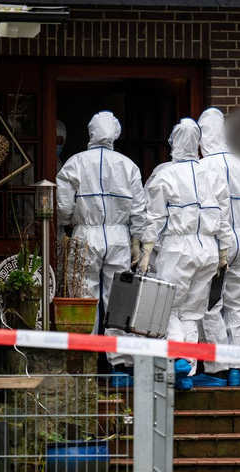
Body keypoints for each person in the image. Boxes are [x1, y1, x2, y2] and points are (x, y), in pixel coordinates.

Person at [55, 111, 152, 373]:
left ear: (91, 132)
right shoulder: (128, 165)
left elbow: (63, 206)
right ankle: (119, 363)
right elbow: (139, 209)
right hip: (119, 236)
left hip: (86, 234)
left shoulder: (75, 163)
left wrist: (69, 222)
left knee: (84, 296)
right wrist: (136, 241)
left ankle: (87, 360)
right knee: (119, 299)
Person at [145, 118, 226, 389]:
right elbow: (224, 217)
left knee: (166, 308)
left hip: (178, 249)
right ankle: (187, 375)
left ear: (174, 142)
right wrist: (223, 251)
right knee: (192, 313)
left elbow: (154, 217)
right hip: (209, 251)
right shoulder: (212, 175)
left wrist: (145, 250)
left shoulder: (166, 175)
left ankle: (178, 358)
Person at [197, 108, 240, 387]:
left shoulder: (202, 168)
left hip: (217, 245)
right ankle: (237, 367)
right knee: (236, 302)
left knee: (211, 304)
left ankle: (217, 368)